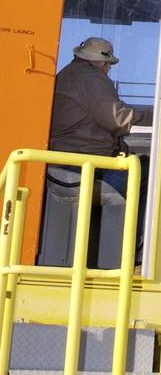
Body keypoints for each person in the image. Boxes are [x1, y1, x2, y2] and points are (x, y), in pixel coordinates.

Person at [48, 37, 153, 262]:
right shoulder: (90, 79)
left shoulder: (69, 75)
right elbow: (119, 118)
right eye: (109, 66)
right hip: (83, 166)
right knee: (148, 174)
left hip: (68, 162)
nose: (108, 71)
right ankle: (136, 253)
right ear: (101, 64)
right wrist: (160, 115)